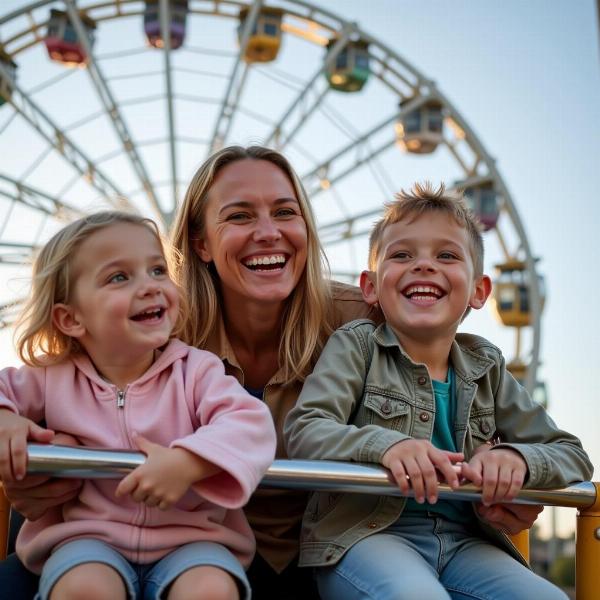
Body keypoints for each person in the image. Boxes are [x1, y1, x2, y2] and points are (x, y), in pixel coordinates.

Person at [0, 147, 544, 600]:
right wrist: (37, 447)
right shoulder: (149, 324)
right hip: (162, 538)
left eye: (286, 213)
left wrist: (504, 473)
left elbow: (453, 384)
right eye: (239, 216)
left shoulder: (362, 319)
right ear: (200, 241)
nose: (268, 233)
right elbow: (51, 384)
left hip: (304, 554)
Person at [284, 182, 593, 600]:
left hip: (468, 543)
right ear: (370, 287)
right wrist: (386, 446)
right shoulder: (357, 345)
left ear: (479, 291)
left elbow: (571, 454)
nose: (423, 266)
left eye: (446, 255)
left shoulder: (487, 366)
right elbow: (305, 429)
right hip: (366, 537)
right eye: (401, 255)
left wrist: (514, 457)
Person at [0, 211, 277, 600]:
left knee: (211, 590)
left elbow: (251, 423)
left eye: (158, 271)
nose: (150, 286)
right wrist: (5, 418)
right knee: (85, 588)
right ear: (70, 318)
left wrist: (189, 462)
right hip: (87, 540)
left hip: (195, 541)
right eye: (119, 277)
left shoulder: (195, 370)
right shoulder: (50, 376)